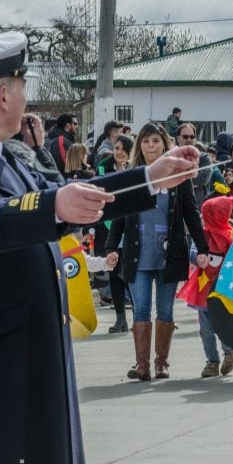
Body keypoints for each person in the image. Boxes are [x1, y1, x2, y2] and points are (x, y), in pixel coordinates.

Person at [0, 31, 201, 464]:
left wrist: (149, 179)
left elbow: (64, 199)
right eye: (22, 88)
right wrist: (52, 206)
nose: (25, 99)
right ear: (3, 95)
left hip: (14, 370)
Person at [107, 121, 209, 382]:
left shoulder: (177, 175)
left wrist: (202, 247)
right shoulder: (134, 175)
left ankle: (162, 363)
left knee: (165, 310)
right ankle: (142, 365)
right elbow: (119, 213)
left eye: (155, 141)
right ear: (139, 144)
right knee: (140, 308)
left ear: (165, 143)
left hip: (169, 250)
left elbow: (191, 213)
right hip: (137, 251)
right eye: (146, 141)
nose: (150, 146)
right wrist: (111, 247)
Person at [176, 196, 233, 378]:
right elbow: (194, 249)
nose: (204, 218)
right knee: (205, 328)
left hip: (222, 289)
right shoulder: (202, 234)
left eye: (207, 215)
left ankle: (229, 350)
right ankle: (212, 361)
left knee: (221, 323)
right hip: (203, 288)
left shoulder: (229, 236)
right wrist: (197, 257)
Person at [96, 134, 133, 333]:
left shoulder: (135, 168)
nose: (118, 152)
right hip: (108, 225)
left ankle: (140, 317)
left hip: (131, 227)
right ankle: (120, 319)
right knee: (114, 273)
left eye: (123, 149)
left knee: (133, 275)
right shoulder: (103, 167)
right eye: (116, 148)